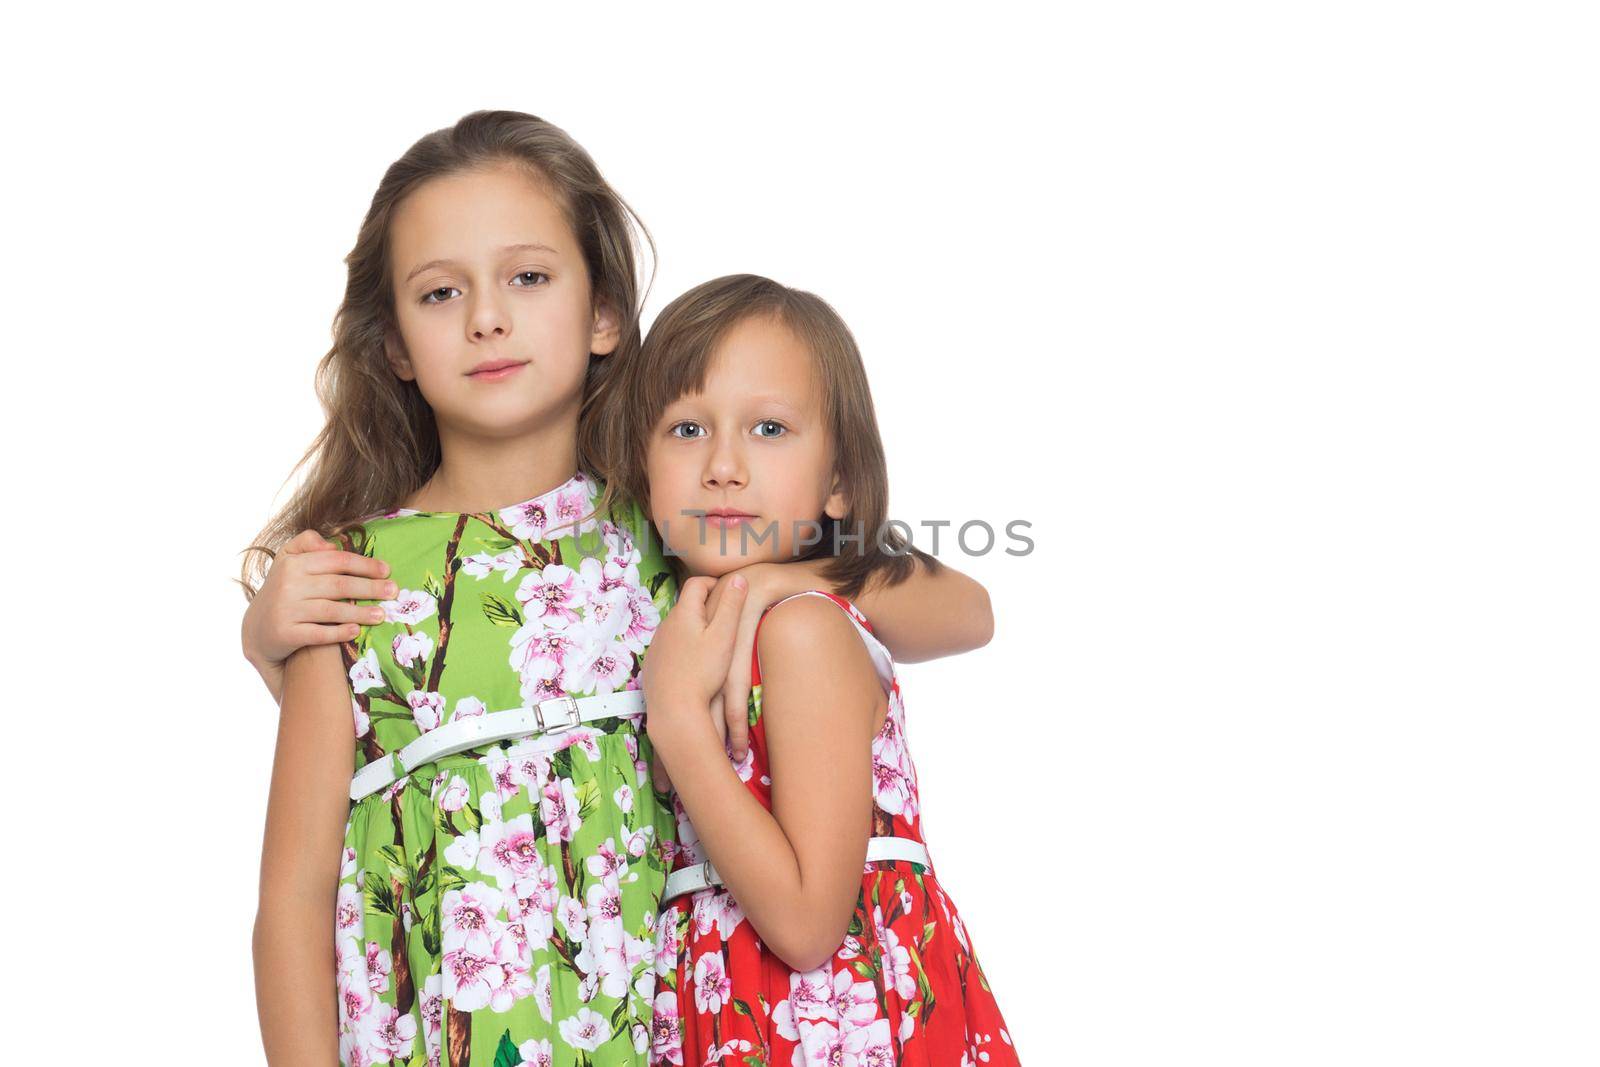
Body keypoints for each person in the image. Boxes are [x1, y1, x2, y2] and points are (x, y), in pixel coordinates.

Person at [242, 111, 996, 1066]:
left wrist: (777, 577)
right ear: (393, 343)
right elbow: (296, 899)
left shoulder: (675, 523)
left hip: (691, 1028)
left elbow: (962, 608)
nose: (487, 317)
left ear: (604, 311)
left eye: (528, 276)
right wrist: (265, 637)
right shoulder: (357, 585)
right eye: (440, 293)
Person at [623, 275, 1021, 1066]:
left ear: (838, 482)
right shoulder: (677, 616)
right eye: (686, 428)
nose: (724, 465)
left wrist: (676, 720)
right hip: (733, 1006)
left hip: (825, 1023)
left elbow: (807, 927)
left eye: (770, 427)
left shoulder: (804, 629)